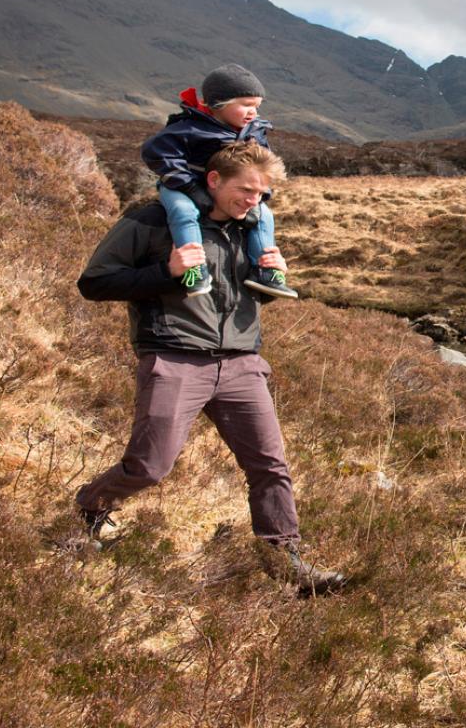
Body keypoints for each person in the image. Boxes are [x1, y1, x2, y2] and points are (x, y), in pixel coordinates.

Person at [73, 141, 344, 595]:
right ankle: (90, 506)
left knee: (269, 465)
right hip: (175, 356)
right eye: (245, 190)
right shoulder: (155, 220)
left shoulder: (252, 227)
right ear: (214, 180)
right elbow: (94, 283)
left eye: (261, 193)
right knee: (150, 467)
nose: (252, 201)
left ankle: (285, 562)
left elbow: (237, 299)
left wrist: (272, 276)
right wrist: (167, 272)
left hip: (241, 363)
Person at [142, 63, 297, 299]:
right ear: (218, 103)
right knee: (184, 212)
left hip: (228, 192)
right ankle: (193, 270)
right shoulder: (189, 127)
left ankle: (265, 271)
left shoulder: (255, 131)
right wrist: (190, 187)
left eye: (257, 106)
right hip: (181, 187)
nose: (253, 112)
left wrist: (261, 196)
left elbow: (264, 167)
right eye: (246, 105)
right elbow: (156, 152)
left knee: (265, 215)